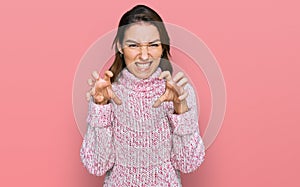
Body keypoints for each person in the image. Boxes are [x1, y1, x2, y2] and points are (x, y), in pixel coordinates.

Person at [80, 4, 205, 186]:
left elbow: (188, 163)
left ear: (162, 48)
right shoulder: (107, 93)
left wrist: (181, 111)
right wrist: (100, 107)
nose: (144, 56)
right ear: (121, 48)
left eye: (153, 45)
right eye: (134, 45)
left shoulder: (180, 93)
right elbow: (96, 165)